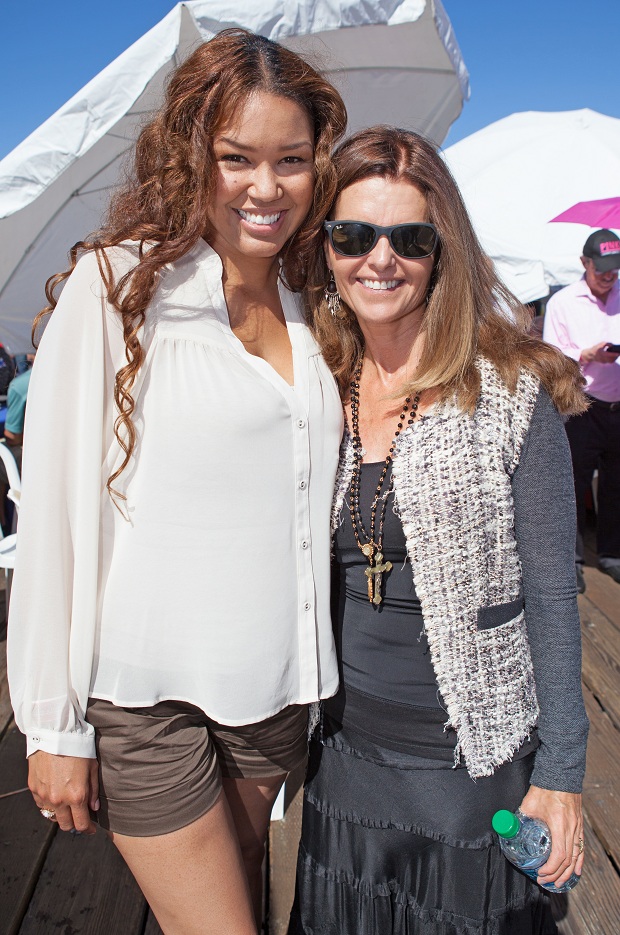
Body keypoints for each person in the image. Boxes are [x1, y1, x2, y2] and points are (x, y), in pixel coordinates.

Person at [8, 30, 347, 935]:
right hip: (146, 698)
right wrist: (50, 721)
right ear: (193, 154)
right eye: (238, 158)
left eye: (292, 160)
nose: (265, 187)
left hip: (277, 695)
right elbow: (53, 517)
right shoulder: (116, 286)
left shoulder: (317, 301)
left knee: (235, 898)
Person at [289, 126, 589, 935]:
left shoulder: (510, 392)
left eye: (408, 238)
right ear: (325, 248)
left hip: (470, 765)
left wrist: (561, 772)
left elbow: (555, 592)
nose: (378, 259)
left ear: (440, 248)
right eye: (353, 235)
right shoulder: (315, 387)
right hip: (343, 757)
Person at [543, 228, 620, 593]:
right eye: (602, 268)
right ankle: (571, 560)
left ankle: (611, 554)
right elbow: (551, 355)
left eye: (615, 268)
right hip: (581, 408)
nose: (609, 275)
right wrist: (586, 355)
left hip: (617, 406)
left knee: (616, 485)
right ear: (584, 263)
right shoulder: (563, 302)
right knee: (571, 486)